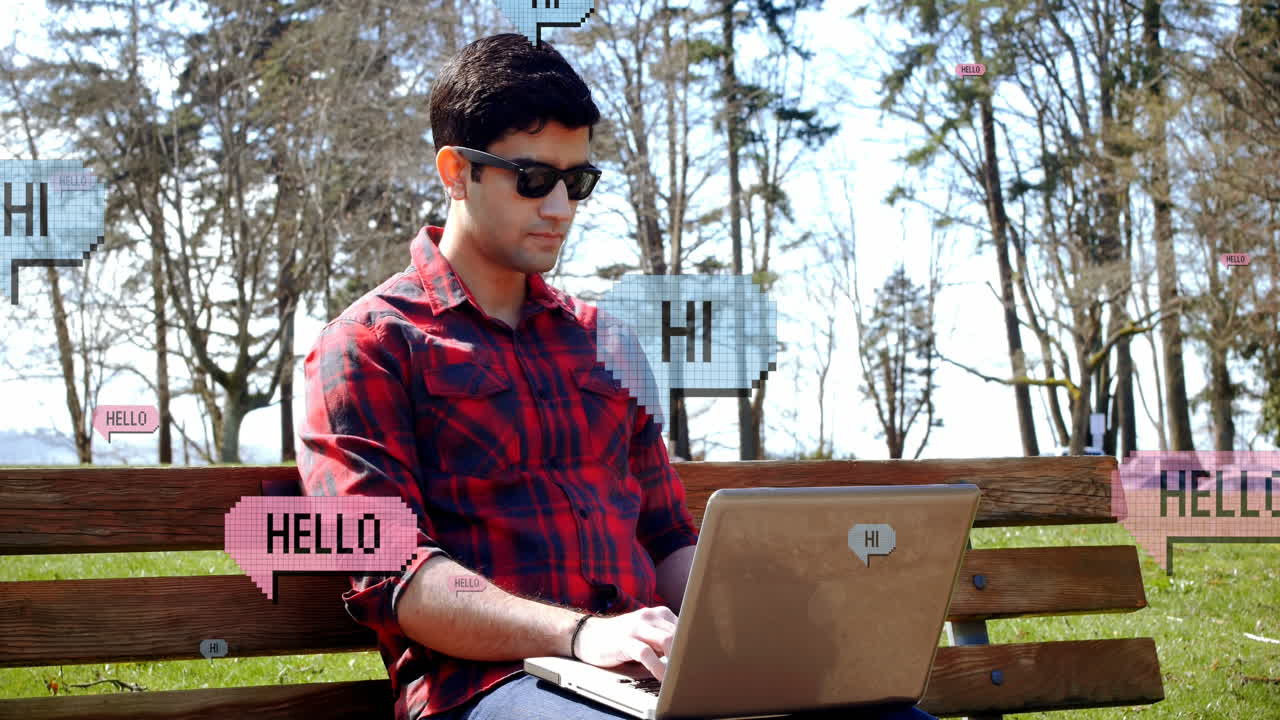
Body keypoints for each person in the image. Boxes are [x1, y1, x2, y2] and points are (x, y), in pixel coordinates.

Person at [297, 33, 937, 720]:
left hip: (646, 675)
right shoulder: (367, 347)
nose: (560, 208)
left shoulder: (605, 341)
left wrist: (763, 624)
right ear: (456, 173)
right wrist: (581, 636)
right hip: (488, 690)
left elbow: (666, 538)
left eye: (577, 182)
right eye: (534, 179)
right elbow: (399, 579)